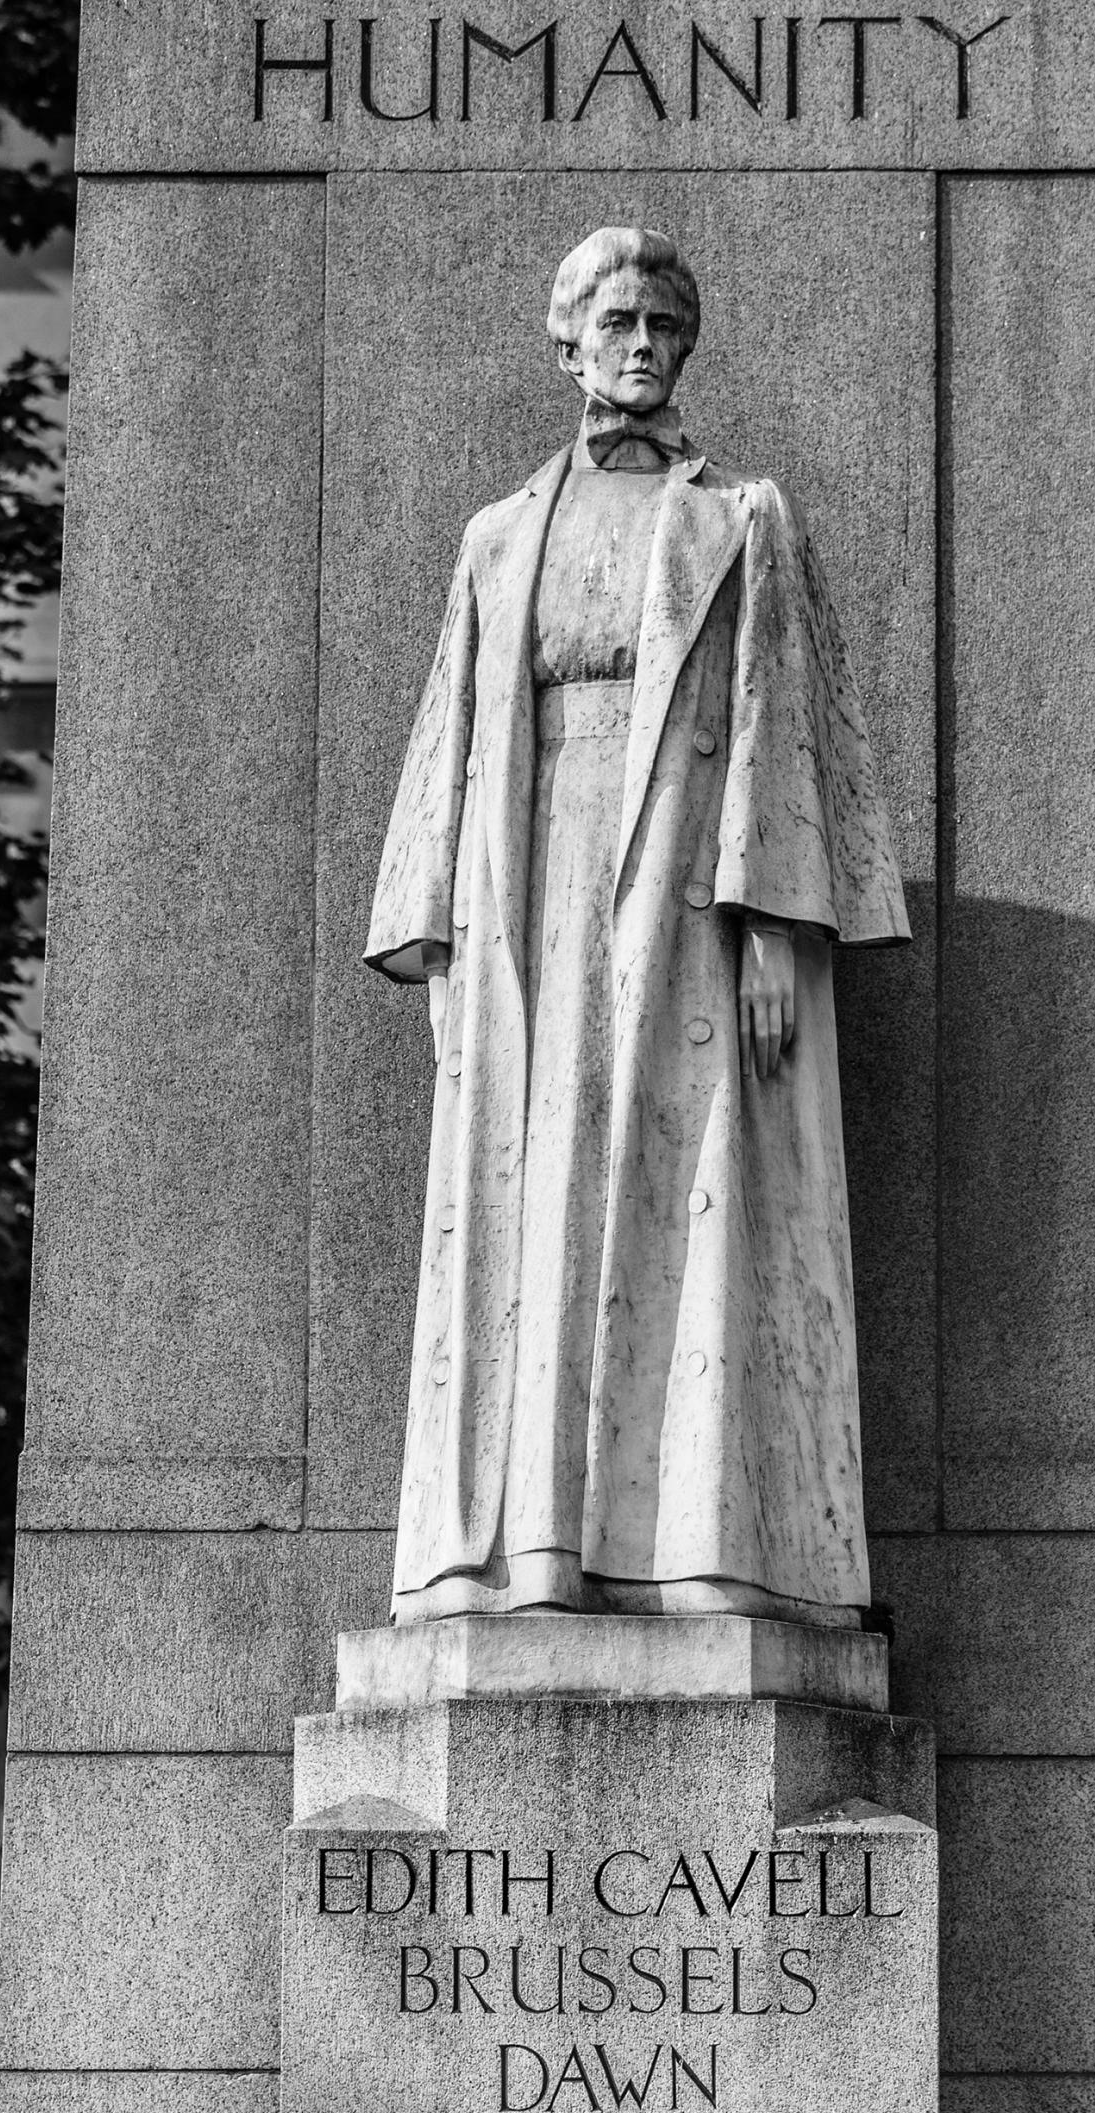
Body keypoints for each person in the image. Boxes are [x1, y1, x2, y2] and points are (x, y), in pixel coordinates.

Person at [366, 225, 909, 1627]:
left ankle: (694, 1549)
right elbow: (453, 743)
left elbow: (794, 732)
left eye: (664, 323)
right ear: (566, 341)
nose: (640, 343)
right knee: (528, 1211)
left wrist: (780, 926)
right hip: (530, 891)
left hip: (684, 890)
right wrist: (437, 938)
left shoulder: (742, 519)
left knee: (691, 1195)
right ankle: (523, 1552)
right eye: (615, 320)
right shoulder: (497, 536)